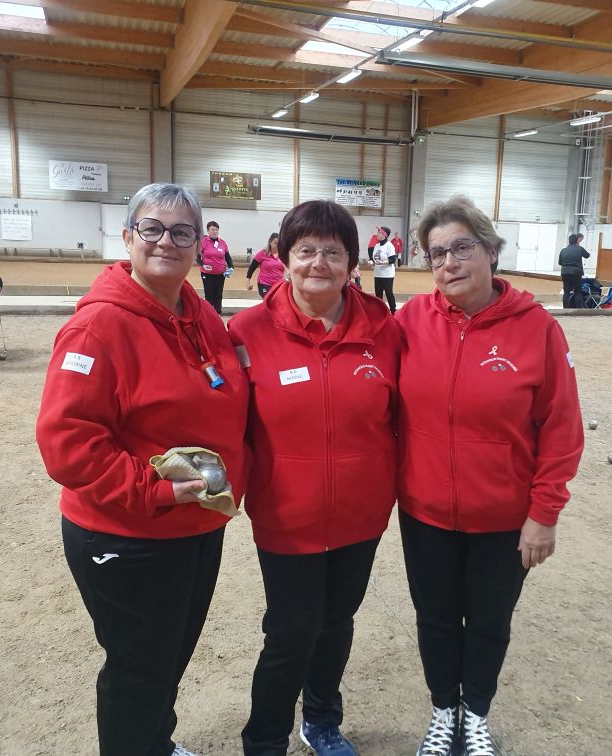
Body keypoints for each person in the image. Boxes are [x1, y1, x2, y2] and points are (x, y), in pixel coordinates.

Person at [35, 183, 250, 756]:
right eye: (151, 229)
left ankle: (155, 742)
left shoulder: (197, 311)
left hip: (196, 525)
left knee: (169, 657)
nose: (166, 242)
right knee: (138, 667)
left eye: (181, 232)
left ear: (198, 246)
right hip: (127, 533)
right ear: (127, 237)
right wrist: (153, 489)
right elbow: (67, 443)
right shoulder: (97, 327)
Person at [396, 195, 583, 756]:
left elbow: (561, 428)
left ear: (491, 251)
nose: (449, 262)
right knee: (434, 618)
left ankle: (473, 713)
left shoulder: (537, 329)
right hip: (425, 512)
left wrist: (543, 514)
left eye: (461, 247)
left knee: (489, 622)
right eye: (436, 254)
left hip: (504, 518)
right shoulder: (408, 322)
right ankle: (442, 710)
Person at [230, 200, 400, 756]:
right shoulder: (247, 331)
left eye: (333, 251)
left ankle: (322, 720)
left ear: (354, 261)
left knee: (336, 624)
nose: (319, 263)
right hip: (288, 516)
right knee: (290, 632)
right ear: (284, 257)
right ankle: (265, 738)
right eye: (306, 251)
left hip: (361, 515)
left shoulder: (384, 327)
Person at [197, 220, 233, 314]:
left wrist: (231, 267)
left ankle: (218, 312)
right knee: (209, 294)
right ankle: (208, 313)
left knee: (218, 294)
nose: (215, 231)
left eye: (216, 229)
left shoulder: (223, 243)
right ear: (208, 231)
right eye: (212, 229)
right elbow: (197, 256)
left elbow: (227, 256)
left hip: (220, 273)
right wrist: (203, 265)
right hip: (207, 273)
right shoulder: (204, 242)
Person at [245, 232, 286, 298]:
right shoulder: (263, 253)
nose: (277, 246)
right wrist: (247, 282)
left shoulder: (283, 255)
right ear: (270, 242)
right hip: (265, 283)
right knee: (269, 300)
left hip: (279, 284)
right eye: (275, 243)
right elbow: (252, 268)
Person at [368, 225, 397, 314]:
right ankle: (380, 312)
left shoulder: (389, 246)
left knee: (389, 293)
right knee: (378, 294)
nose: (377, 234)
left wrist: (383, 262)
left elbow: (392, 259)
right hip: (378, 273)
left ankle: (393, 311)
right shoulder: (376, 245)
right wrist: (372, 262)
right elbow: (375, 258)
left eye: (379, 232)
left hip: (387, 274)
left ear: (384, 235)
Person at [557, 233, 590, 308]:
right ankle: (577, 309)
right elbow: (587, 255)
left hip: (565, 272)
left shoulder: (563, 250)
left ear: (569, 241)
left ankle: (565, 309)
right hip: (576, 272)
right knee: (577, 292)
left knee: (566, 292)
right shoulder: (580, 249)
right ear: (576, 241)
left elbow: (560, 263)